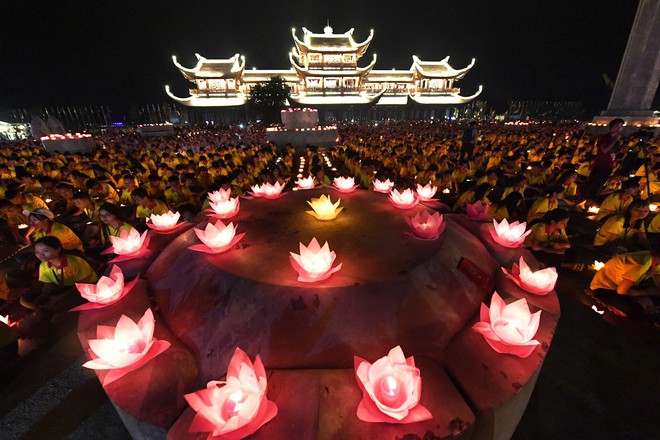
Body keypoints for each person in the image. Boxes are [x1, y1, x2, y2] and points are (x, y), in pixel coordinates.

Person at [20, 236, 98, 312]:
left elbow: (84, 285)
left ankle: (47, 312)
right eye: (37, 252)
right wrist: (44, 296)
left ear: (58, 249)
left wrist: (60, 297)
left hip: (87, 289)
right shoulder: (43, 266)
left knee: (56, 305)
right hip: (65, 287)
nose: (40, 255)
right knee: (24, 300)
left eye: (45, 251)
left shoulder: (74, 262)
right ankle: (44, 310)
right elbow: (49, 285)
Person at [583, 118, 624, 202]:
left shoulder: (619, 140)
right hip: (600, 165)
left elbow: (613, 153)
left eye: (621, 126)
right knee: (592, 184)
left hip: (609, 166)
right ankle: (585, 200)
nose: (619, 128)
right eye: (617, 125)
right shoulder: (604, 137)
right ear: (611, 127)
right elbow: (604, 150)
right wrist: (615, 140)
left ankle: (593, 201)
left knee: (600, 185)